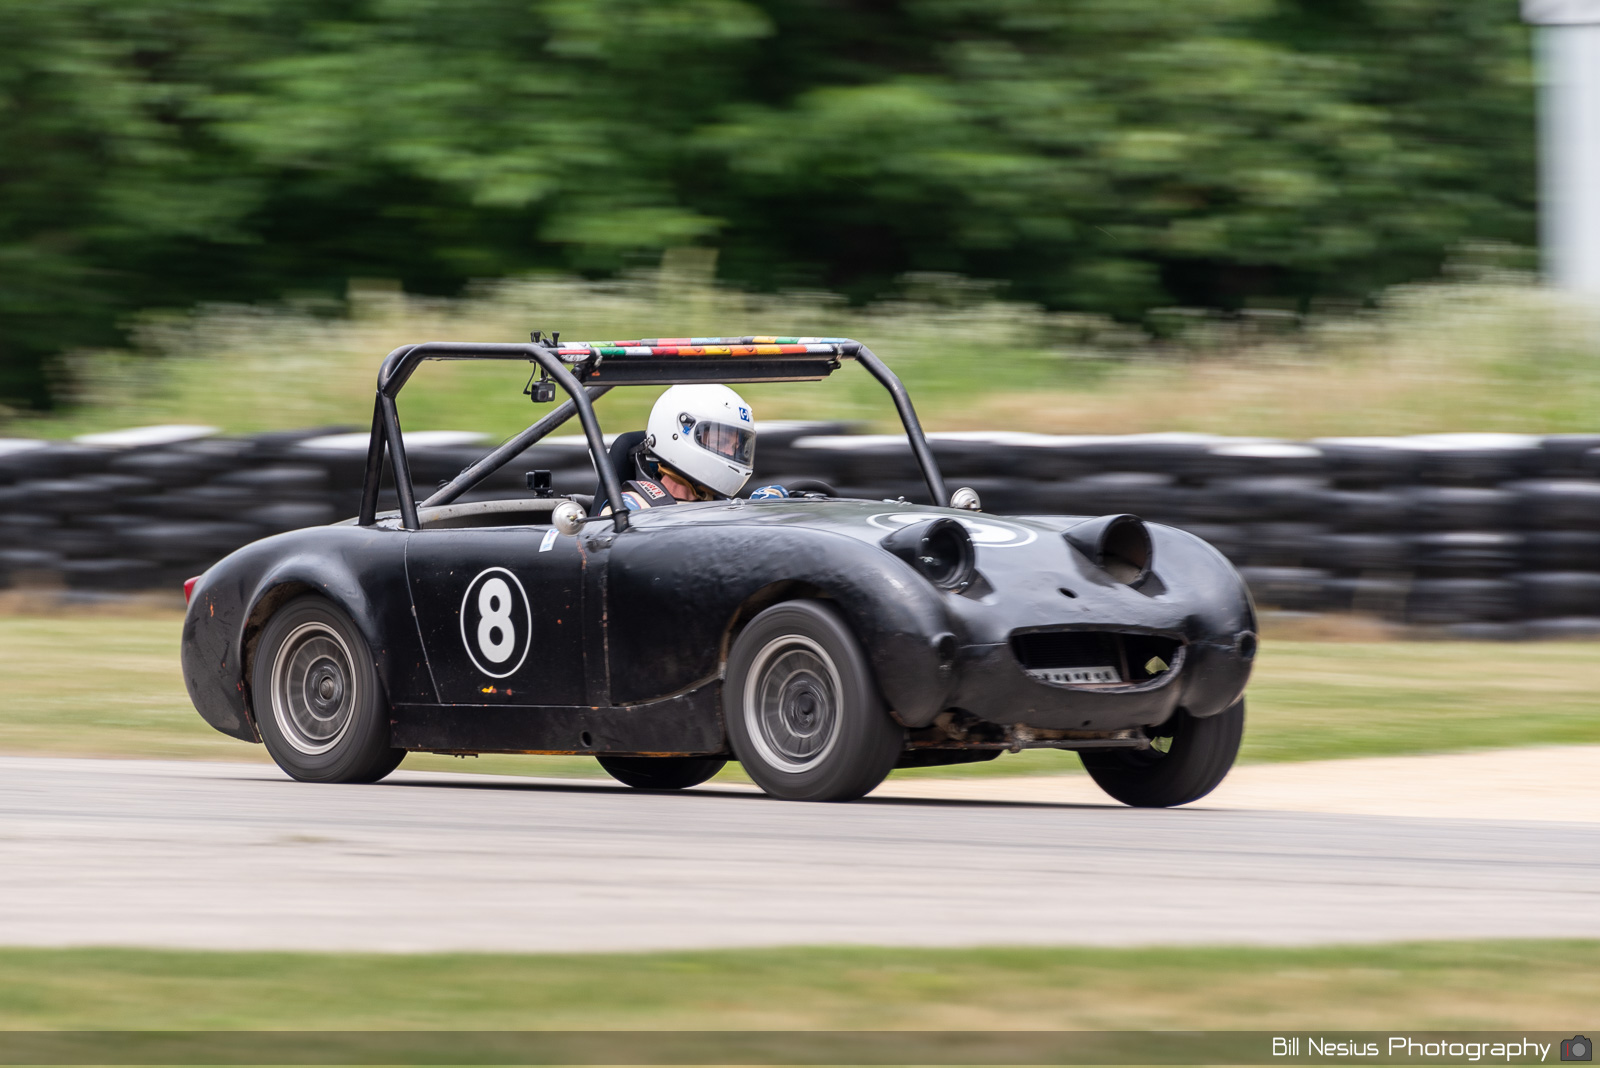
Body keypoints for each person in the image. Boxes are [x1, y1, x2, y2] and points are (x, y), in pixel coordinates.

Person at [603, 384, 789, 513]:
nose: (731, 453)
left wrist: (757, 514)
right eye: (721, 440)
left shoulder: (722, 506)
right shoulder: (631, 507)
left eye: (736, 446)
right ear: (679, 431)